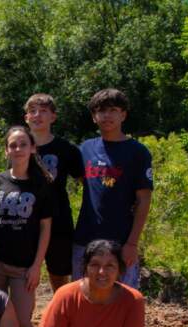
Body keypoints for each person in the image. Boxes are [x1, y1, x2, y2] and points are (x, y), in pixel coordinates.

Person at [0, 127, 53, 327]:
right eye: (13, 145)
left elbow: (45, 228)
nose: (18, 149)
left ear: (32, 148)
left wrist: (36, 266)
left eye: (23, 144)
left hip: (24, 267)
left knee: (23, 320)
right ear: (6, 151)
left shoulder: (41, 184)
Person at [74, 89, 153, 289]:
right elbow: (88, 184)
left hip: (121, 241)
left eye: (113, 110)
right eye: (101, 111)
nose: (107, 115)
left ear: (123, 114)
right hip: (85, 238)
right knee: (83, 300)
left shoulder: (138, 152)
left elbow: (144, 199)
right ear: (94, 117)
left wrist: (132, 243)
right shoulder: (85, 149)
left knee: (121, 301)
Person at [24, 93, 85, 292]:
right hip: (25, 218)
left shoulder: (67, 149)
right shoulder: (19, 145)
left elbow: (86, 183)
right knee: (23, 271)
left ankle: (61, 310)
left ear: (53, 117)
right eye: (32, 111)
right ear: (26, 118)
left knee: (58, 271)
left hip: (58, 218)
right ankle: (24, 318)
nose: (37, 115)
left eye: (43, 111)